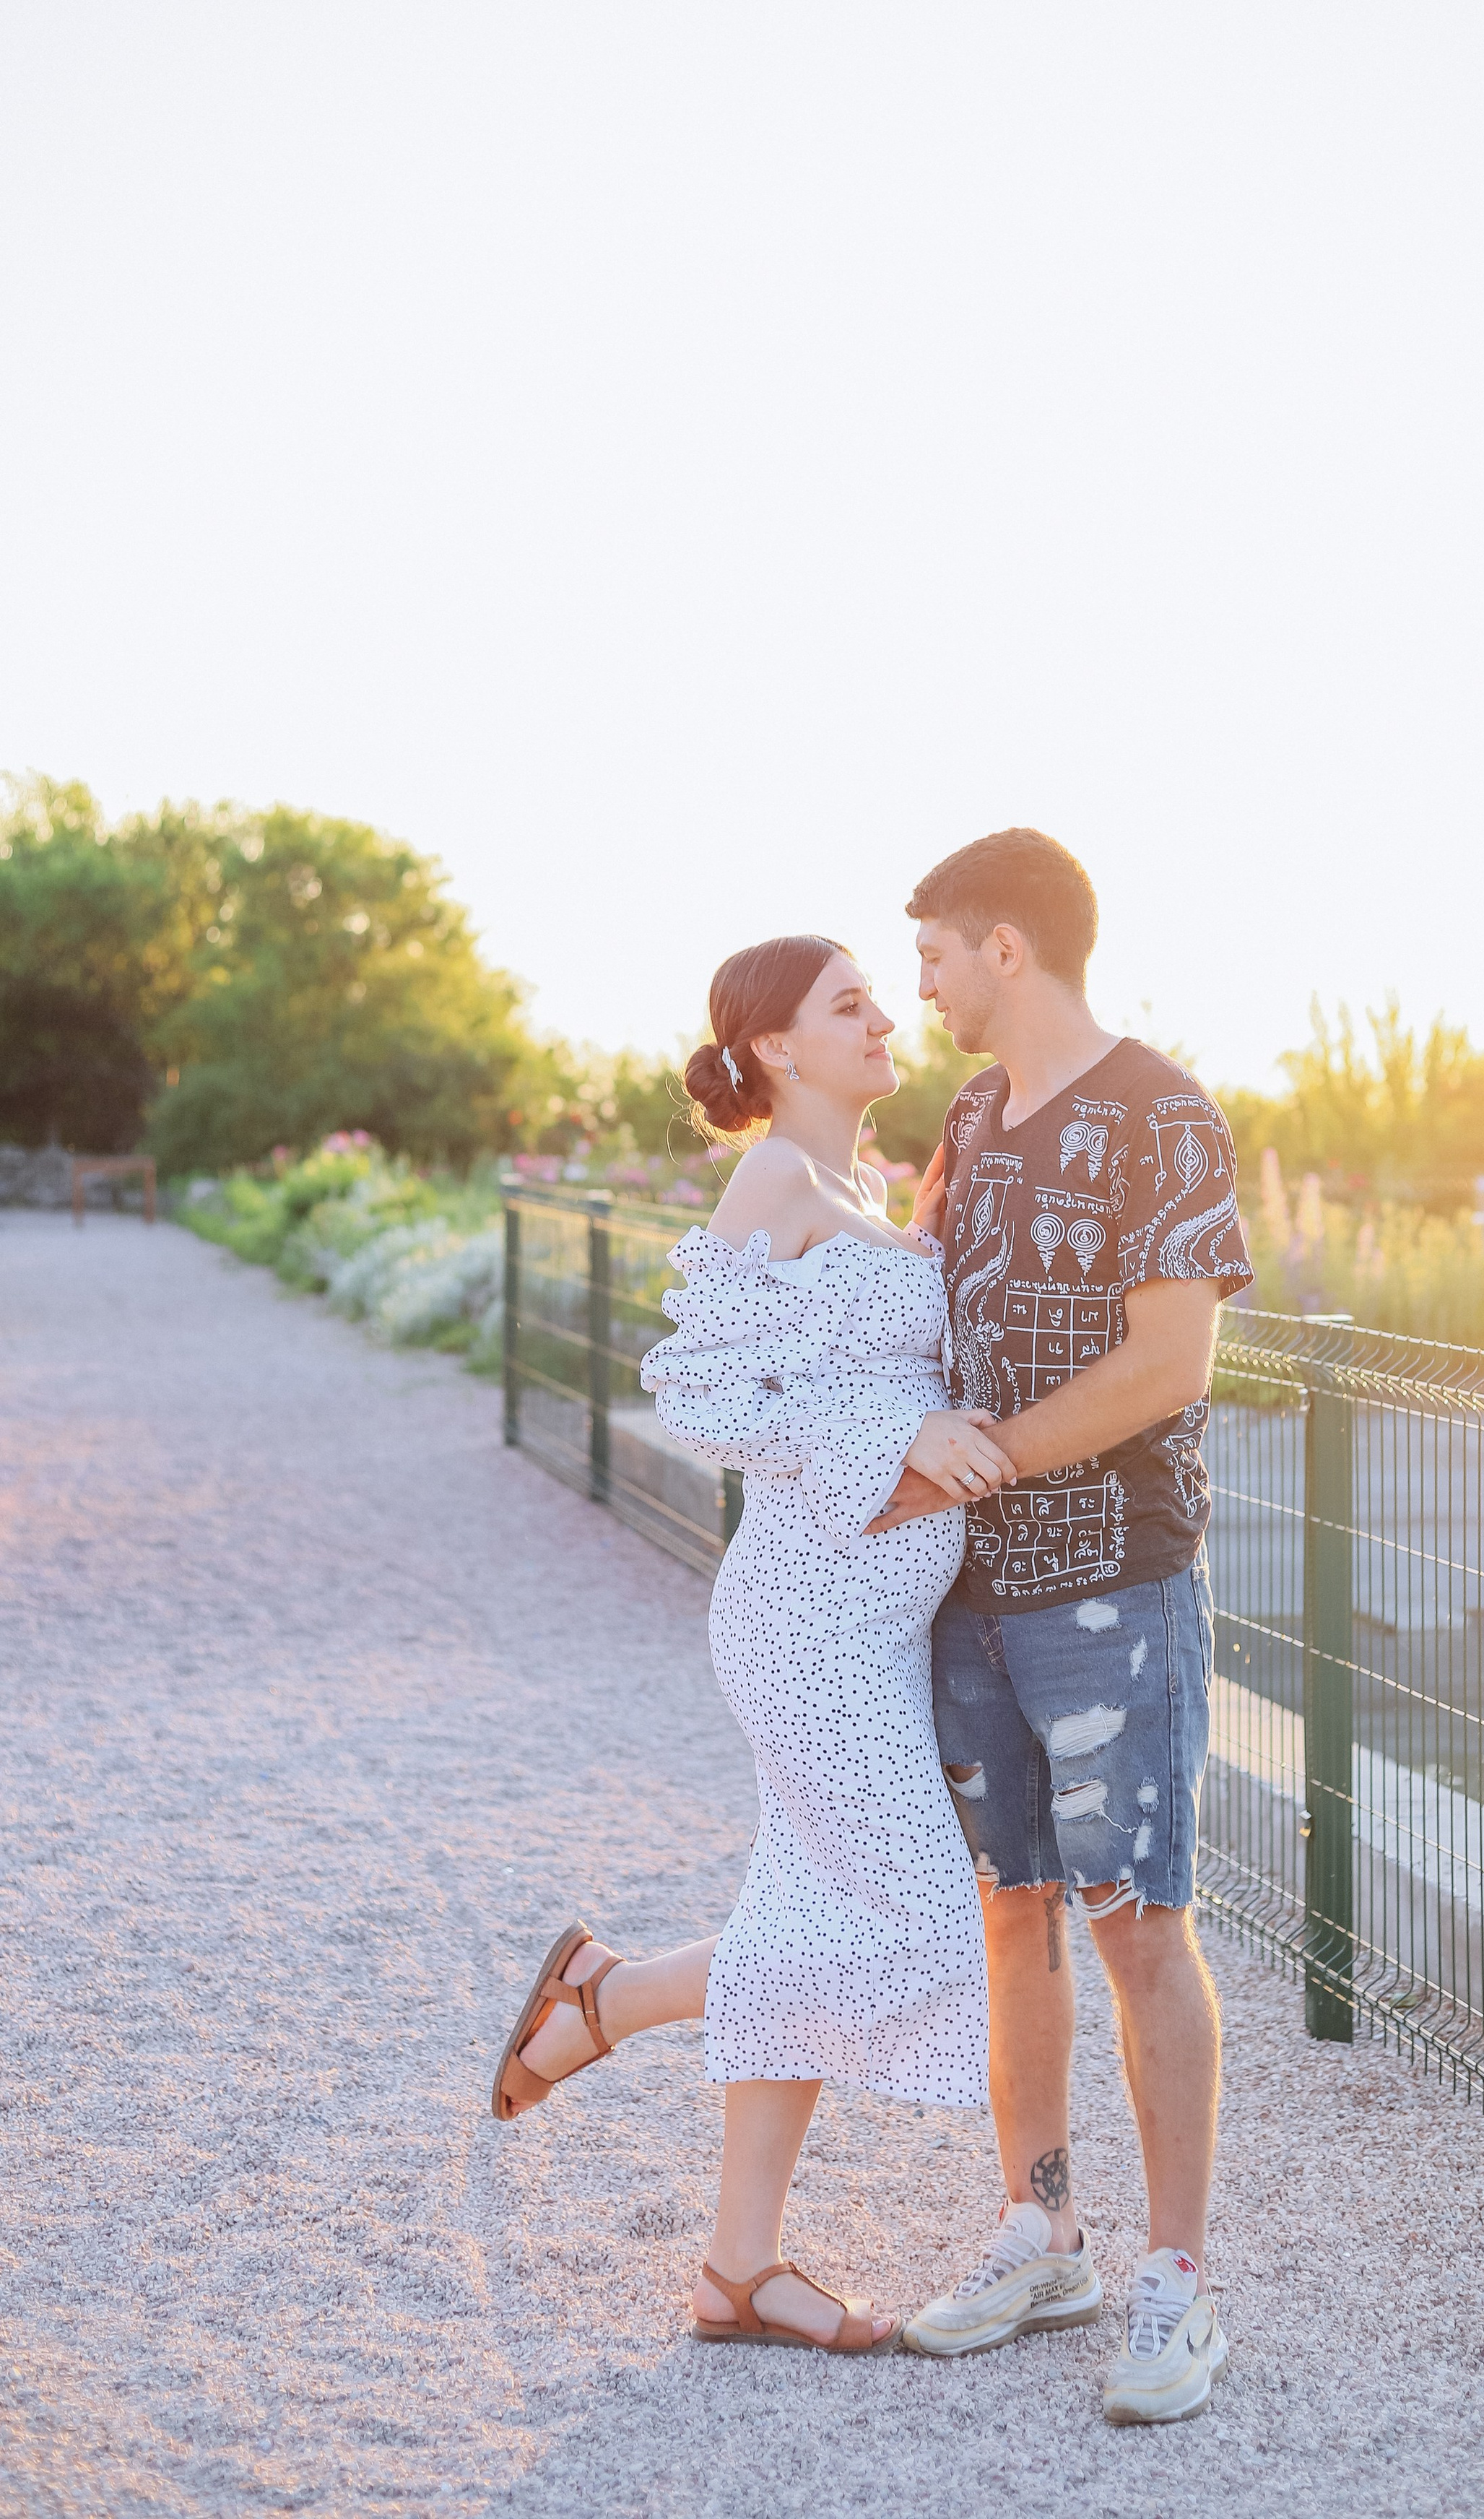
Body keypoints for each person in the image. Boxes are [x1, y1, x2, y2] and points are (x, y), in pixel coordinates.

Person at [489, 934, 1010, 2355]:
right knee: (909, 1922)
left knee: (815, 1910)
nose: (884, 1018)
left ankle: (733, 2269)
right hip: (805, 1619)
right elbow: (698, 1395)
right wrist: (894, 1434)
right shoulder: (774, 1177)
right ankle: (610, 1997)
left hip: (872, 1626)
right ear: (778, 1049)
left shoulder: (858, 1193)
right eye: (851, 1004)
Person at [876, 828, 1254, 2427]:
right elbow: (921, 1294)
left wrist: (988, 1455)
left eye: (936, 958)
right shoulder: (968, 1115)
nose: (925, 988)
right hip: (965, 1594)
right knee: (1009, 1908)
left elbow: (1173, 1366)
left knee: (1134, 1923)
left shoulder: (1162, 1113)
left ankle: (1172, 2282)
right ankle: (1044, 2232)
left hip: (1112, 1584)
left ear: (1007, 949)